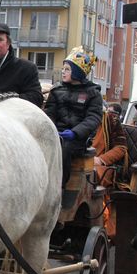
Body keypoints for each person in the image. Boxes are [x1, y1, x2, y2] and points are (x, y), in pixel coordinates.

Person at [44, 46, 102, 186]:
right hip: (56, 132)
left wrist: (75, 133)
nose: (63, 72)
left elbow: (93, 118)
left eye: (67, 69)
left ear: (78, 72)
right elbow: (49, 114)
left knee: (65, 148)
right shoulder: (57, 90)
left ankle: (58, 186)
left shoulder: (93, 93)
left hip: (77, 138)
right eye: (63, 68)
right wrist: (49, 129)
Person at [91, 110, 127, 236]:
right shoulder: (70, 114)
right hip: (74, 160)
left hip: (100, 164)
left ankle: (100, 219)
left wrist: (101, 159)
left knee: (93, 175)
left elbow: (121, 148)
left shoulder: (111, 119)